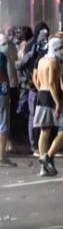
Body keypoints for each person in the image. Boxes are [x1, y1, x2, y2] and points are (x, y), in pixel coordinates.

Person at [32, 37, 63, 176]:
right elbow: (53, 83)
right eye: (61, 48)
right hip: (51, 97)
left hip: (42, 95)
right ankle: (47, 156)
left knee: (45, 131)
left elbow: (36, 80)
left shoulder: (41, 60)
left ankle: (45, 166)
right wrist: (58, 102)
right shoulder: (54, 62)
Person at [0, 33, 14, 167]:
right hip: (2, 92)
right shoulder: (1, 56)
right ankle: (2, 155)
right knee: (4, 122)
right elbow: (3, 75)